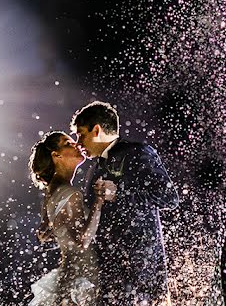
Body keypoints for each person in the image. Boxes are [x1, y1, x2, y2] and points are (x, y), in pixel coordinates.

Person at [71, 100, 179, 306]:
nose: (79, 142)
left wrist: (120, 193)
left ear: (96, 130)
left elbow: (169, 198)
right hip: (110, 273)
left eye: (81, 134)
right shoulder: (95, 168)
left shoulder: (137, 152)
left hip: (141, 271)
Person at [28, 131, 110, 306]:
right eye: (68, 143)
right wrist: (99, 201)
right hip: (81, 279)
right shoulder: (70, 193)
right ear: (56, 155)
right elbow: (83, 240)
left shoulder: (51, 191)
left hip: (70, 275)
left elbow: (46, 229)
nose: (76, 145)